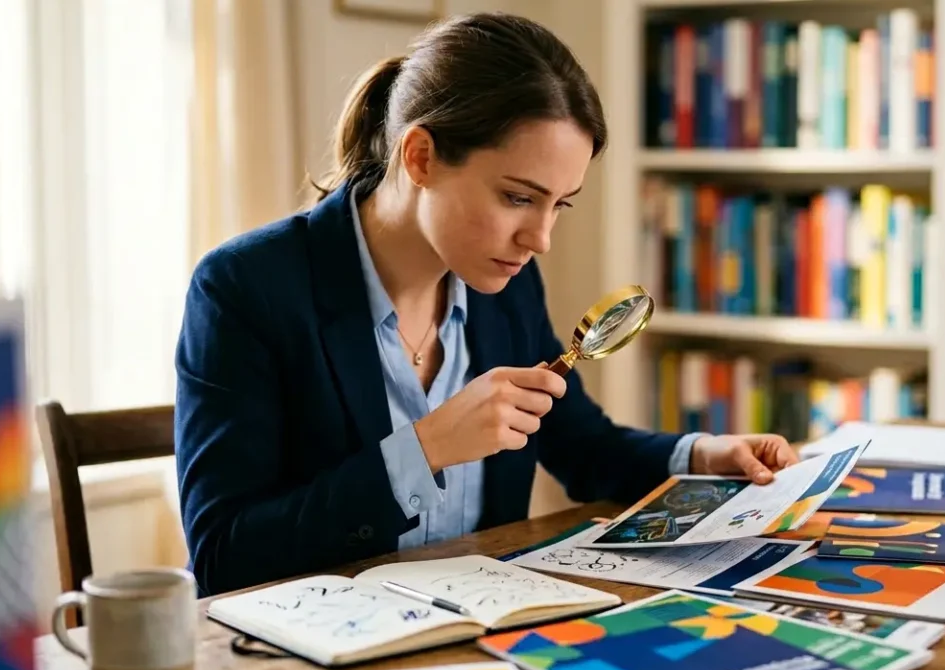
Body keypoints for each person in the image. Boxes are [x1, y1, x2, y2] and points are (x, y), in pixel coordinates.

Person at [173, 12, 799, 598]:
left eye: (560, 204)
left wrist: (700, 459)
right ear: (420, 157)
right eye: (518, 198)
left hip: (483, 639)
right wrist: (423, 450)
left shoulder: (505, 281)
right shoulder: (244, 288)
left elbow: (580, 445)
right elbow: (224, 553)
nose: (541, 239)